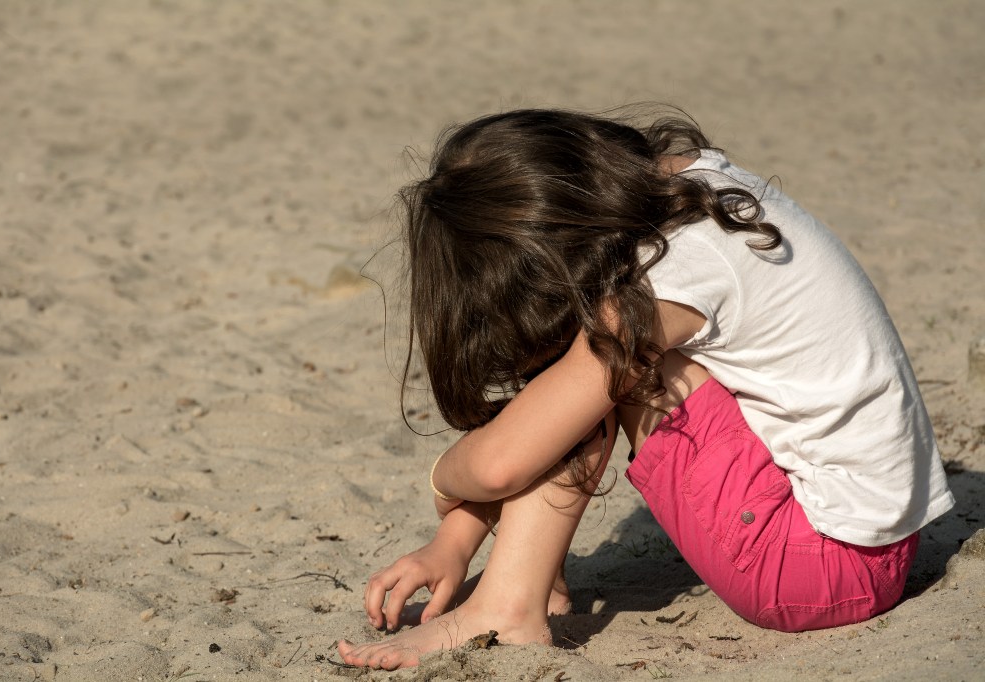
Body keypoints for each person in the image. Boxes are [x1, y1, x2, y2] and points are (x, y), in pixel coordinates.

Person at [336, 108, 955, 669]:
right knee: (598, 361)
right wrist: (456, 541)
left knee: (607, 364)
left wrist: (446, 480)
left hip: (814, 566)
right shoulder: (691, 187)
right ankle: (524, 578)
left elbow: (501, 463)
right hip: (875, 544)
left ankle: (507, 606)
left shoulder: (663, 284)